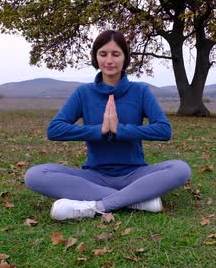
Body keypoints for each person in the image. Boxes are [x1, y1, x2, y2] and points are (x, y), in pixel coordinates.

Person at [24, 30, 191, 221]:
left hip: (135, 174)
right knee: (35, 175)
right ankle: (135, 198)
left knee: (181, 169)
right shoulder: (83, 93)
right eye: (103, 54)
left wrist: (121, 130)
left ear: (125, 58)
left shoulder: (140, 91)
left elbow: (164, 130)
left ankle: (99, 205)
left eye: (116, 54)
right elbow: (54, 129)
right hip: (94, 176)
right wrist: (99, 130)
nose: (109, 60)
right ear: (96, 57)